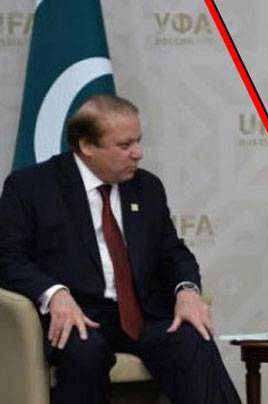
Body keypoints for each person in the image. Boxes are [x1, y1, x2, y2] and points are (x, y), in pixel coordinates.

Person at [0, 95, 241, 404]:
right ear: (87, 145)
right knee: (84, 353)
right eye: (125, 145)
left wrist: (187, 291)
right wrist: (55, 293)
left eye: (138, 141)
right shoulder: (32, 186)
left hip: (141, 313)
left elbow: (172, 253)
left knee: (193, 339)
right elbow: (8, 258)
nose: (138, 153)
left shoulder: (147, 187)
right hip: (77, 314)